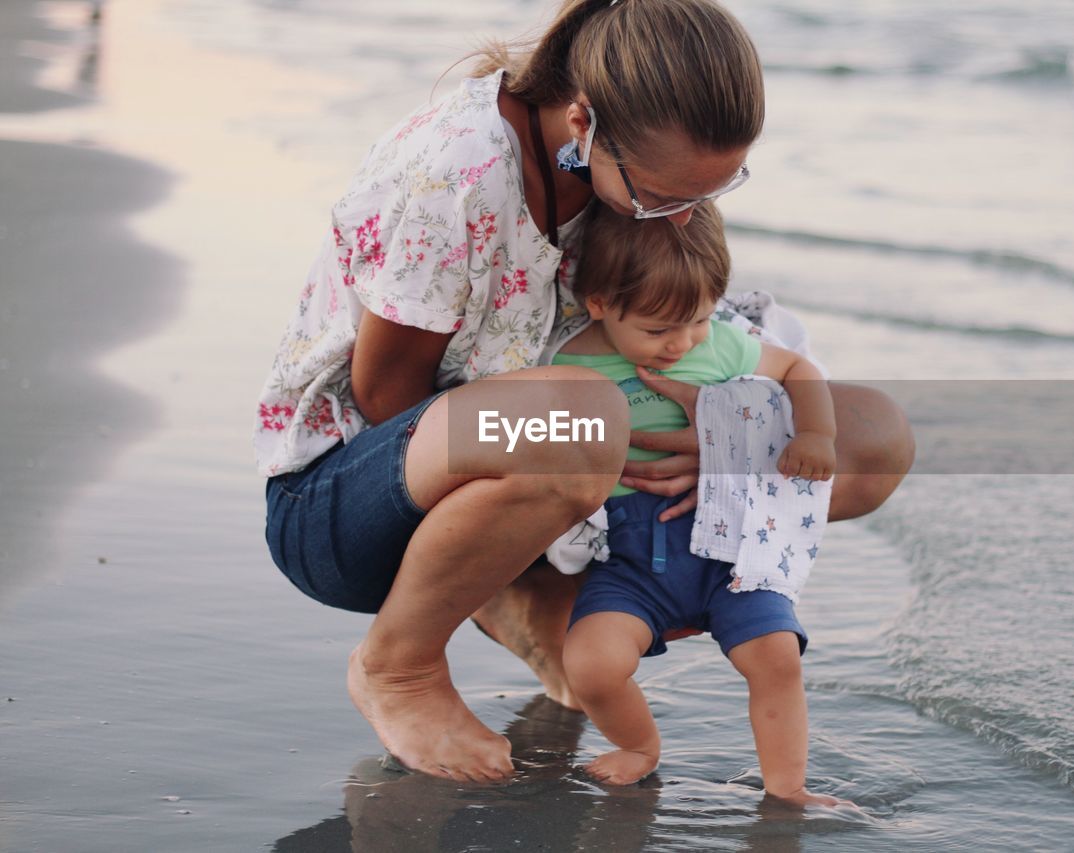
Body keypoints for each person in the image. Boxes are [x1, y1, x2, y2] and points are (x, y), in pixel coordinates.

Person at [257, 0, 914, 784]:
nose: (686, 217)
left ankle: (528, 581)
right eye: (664, 196)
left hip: (572, 494)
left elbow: (737, 352)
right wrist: (528, 510)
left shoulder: (625, 175)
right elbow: (385, 393)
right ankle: (401, 660)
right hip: (348, 504)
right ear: (583, 122)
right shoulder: (457, 170)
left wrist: (725, 444)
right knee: (581, 419)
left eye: (714, 190)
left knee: (873, 435)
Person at [555, 203, 840, 806]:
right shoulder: (565, 362)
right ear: (600, 302)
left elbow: (798, 368)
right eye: (658, 331)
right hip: (630, 564)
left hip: (733, 556)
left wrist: (815, 435)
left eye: (701, 320)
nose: (681, 343)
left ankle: (788, 788)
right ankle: (638, 746)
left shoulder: (721, 348)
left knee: (777, 656)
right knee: (591, 664)